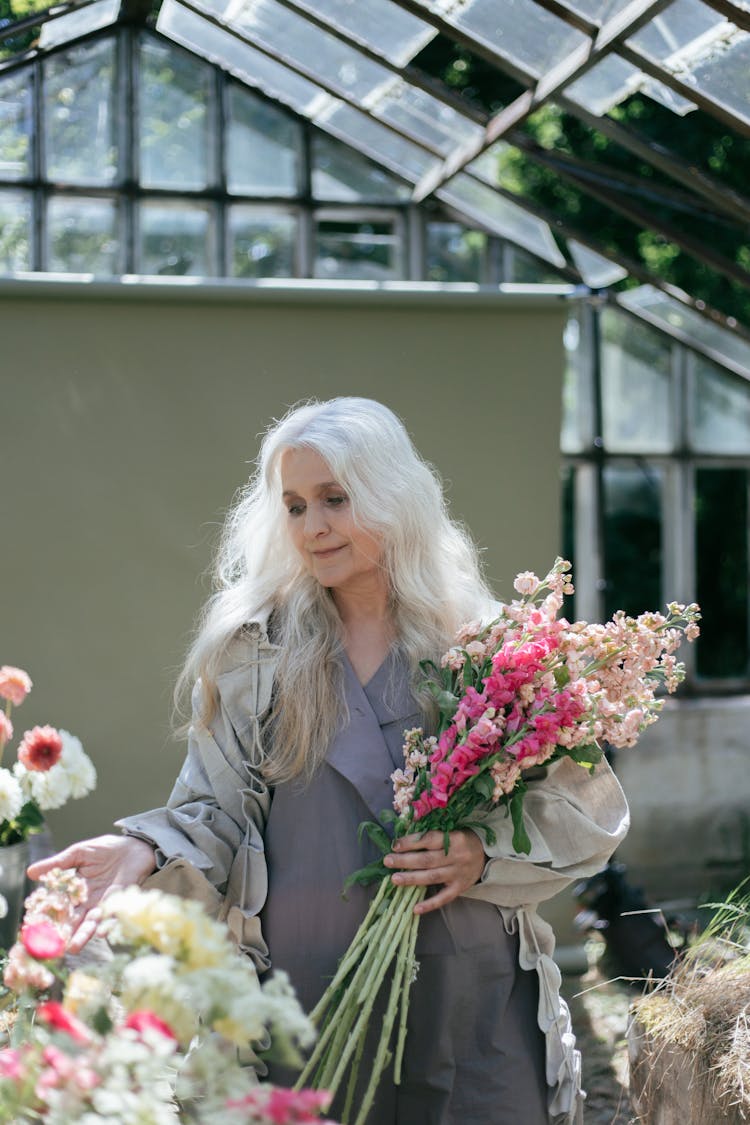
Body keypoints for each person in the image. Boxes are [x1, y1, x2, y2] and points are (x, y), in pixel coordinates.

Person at [29, 397, 629, 1125]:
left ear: (391, 496)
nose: (313, 526)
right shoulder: (258, 654)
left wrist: (481, 851)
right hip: (307, 995)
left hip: (469, 988)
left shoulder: (486, 646)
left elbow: (582, 811)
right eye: (295, 505)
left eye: (335, 499)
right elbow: (214, 813)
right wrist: (137, 847)